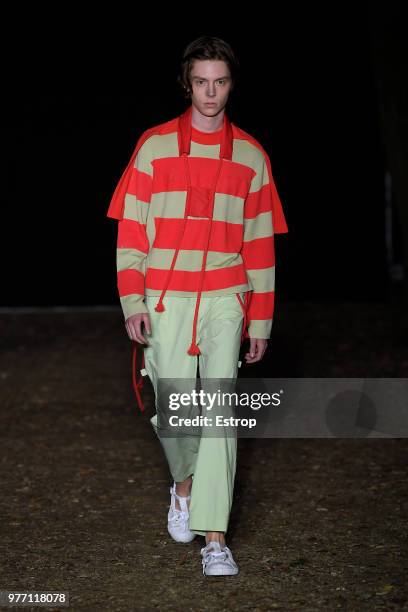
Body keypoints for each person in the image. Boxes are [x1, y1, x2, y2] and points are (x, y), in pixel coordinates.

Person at [107, 35, 288, 576]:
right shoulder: (154, 146)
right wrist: (131, 300)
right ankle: (182, 486)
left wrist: (260, 321)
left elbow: (259, 245)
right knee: (174, 413)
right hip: (165, 300)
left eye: (221, 81)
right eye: (202, 82)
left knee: (218, 413)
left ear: (232, 84)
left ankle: (215, 538)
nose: (211, 93)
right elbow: (131, 233)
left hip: (226, 300)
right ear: (187, 83)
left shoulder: (252, 156)